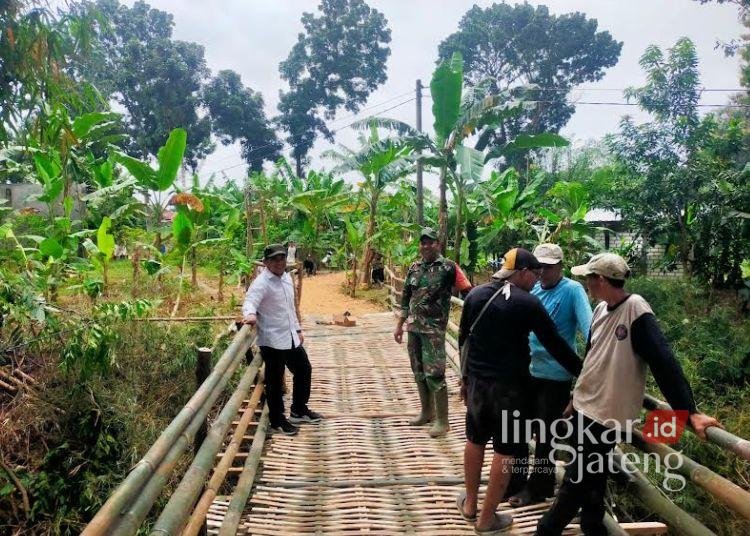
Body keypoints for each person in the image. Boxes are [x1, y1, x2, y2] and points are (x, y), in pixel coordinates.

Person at [535, 252, 721, 536]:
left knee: (577, 481)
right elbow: (592, 357)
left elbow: (664, 363)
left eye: (588, 277)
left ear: (600, 280)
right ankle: (593, 527)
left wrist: (690, 412)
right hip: (585, 407)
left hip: (608, 414)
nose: (585, 282)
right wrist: (576, 395)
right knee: (592, 479)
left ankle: (545, 531)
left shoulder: (636, 311)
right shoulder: (600, 309)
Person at [457, 247, 583, 535]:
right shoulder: (528, 303)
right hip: (510, 391)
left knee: (474, 440)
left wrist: (464, 380)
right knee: (506, 450)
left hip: (476, 384)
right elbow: (556, 345)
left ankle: (470, 505)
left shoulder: (475, 295)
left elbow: (464, 339)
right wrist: (585, 373)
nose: (537, 280)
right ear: (523, 272)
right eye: (535, 274)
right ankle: (487, 520)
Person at [508, 244, 593, 508]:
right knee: (519, 431)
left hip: (555, 375)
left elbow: (591, 329)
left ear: (561, 266)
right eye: (539, 266)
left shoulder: (572, 290)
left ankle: (539, 487)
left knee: (545, 436)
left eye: (549, 267)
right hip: (526, 371)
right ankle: (517, 481)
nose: (543, 271)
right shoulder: (530, 287)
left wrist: (588, 371)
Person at [393, 227, 472, 438]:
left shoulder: (449, 267)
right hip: (414, 328)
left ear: (438, 244)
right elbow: (406, 297)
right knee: (418, 371)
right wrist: (400, 324)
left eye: (430, 242)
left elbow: (468, 291)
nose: (426, 246)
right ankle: (426, 412)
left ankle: (443, 421)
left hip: (434, 330)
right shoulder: (414, 267)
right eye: (423, 243)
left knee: (435, 374)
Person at [242, 243, 323, 435]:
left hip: (289, 335)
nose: (279, 263)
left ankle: (298, 409)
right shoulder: (261, 283)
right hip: (272, 339)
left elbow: (290, 308)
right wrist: (250, 315)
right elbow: (250, 301)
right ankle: (277, 420)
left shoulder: (286, 277)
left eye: (282, 258)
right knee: (275, 381)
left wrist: (298, 329)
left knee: (304, 369)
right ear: (266, 262)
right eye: (274, 259)